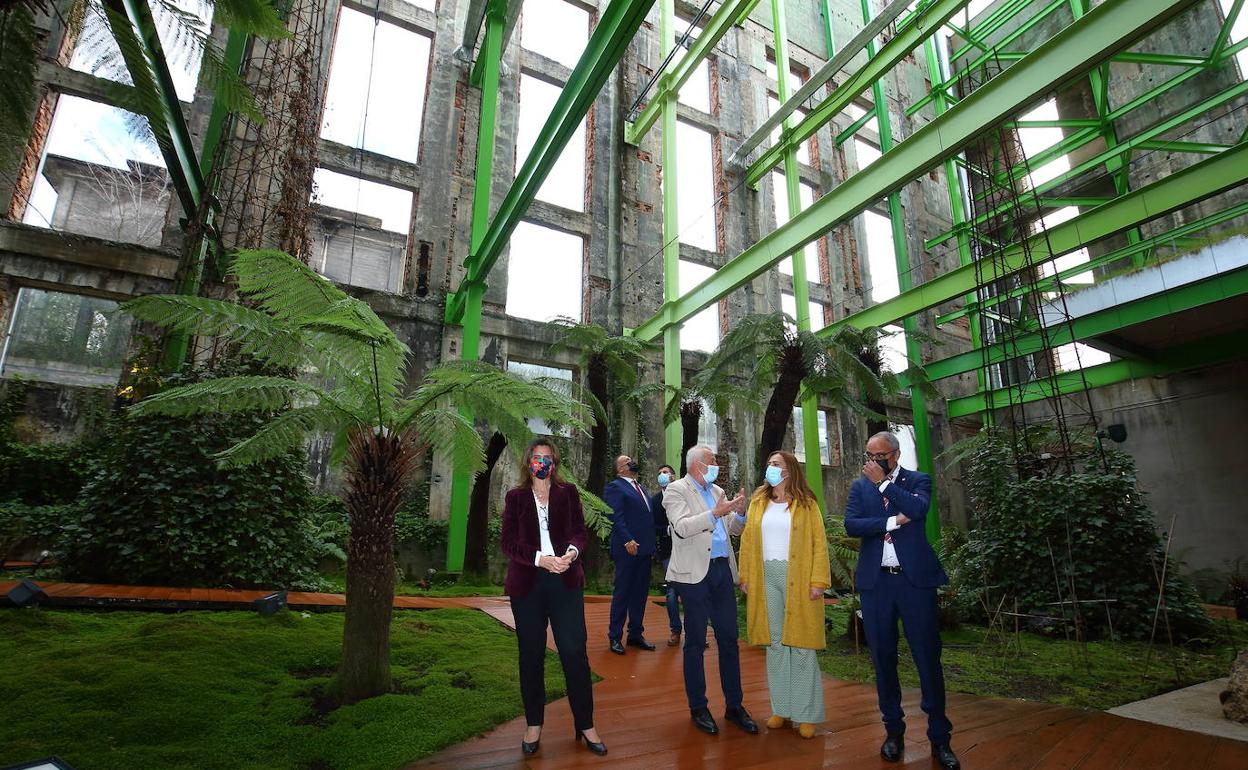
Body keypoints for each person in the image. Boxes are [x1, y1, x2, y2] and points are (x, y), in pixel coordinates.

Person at [844, 431, 959, 770]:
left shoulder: (917, 480)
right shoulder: (858, 486)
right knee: (882, 658)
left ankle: (940, 738)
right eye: (868, 454)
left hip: (914, 584)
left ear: (893, 455)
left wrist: (885, 485)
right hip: (876, 583)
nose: (872, 460)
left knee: (927, 657)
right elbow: (852, 525)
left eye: (878, 454)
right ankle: (893, 731)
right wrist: (892, 521)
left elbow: (918, 509)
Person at [500, 438, 607, 757]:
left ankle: (586, 724)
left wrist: (571, 554)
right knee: (531, 655)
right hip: (528, 586)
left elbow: (579, 531)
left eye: (547, 457)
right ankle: (534, 724)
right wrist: (539, 559)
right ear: (528, 462)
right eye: (537, 457)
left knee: (574, 653)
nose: (542, 462)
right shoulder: (515, 497)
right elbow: (507, 542)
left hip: (565, 581)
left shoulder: (568, 493)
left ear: (555, 463)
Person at [663, 444, 758, 737]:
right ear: (696, 465)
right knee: (694, 642)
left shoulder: (717, 492)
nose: (716, 464)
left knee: (729, 639)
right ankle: (698, 707)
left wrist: (739, 514)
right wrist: (715, 513)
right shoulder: (676, 490)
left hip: (720, 571)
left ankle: (734, 705)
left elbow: (733, 529)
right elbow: (681, 527)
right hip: (693, 575)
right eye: (712, 460)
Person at [738, 450, 830, 739]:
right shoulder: (758, 502)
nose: (771, 469)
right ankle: (782, 708)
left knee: (802, 644)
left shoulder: (806, 503)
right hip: (766, 578)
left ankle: (806, 713)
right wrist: (746, 576)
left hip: (799, 579)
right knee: (776, 644)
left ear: (789, 470)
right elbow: (748, 541)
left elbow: (819, 544)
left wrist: (818, 581)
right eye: (768, 464)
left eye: (776, 464)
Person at [603, 454, 658, 654]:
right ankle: (615, 636)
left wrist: (651, 546)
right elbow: (614, 515)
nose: (632, 461)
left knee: (640, 594)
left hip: (644, 550)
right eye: (627, 461)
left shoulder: (641, 488)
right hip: (627, 549)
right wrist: (627, 539)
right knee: (623, 593)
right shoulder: (615, 487)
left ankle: (635, 634)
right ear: (620, 470)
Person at [651, 463, 684, 647]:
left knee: (690, 590)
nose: (662, 475)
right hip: (667, 551)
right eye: (660, 473)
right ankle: (675, 630)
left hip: (687, 548)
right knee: (672, 590)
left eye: (665, 472)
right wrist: (667, 531)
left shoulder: (683, 495)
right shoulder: (655, 500)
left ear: (673, 476)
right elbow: (653, 526)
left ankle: (697, 631)